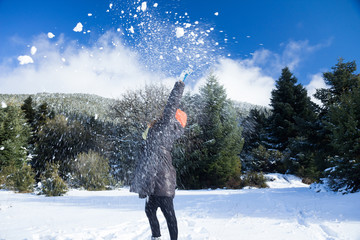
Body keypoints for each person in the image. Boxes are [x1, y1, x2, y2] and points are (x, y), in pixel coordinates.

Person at [130, 79, 187, 240]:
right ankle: (156, 237)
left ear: (175, 118)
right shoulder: (160, 129)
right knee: (149, 210)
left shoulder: (167, 125)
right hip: (154, 182)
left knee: (169, 215)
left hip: (163, 181)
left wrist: (179, 86)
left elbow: (171, 104)